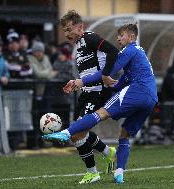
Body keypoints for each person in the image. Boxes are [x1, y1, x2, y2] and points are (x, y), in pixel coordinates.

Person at [43, 23, 158, 184]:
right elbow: (122, 80)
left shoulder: (129, 50)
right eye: (118, 35)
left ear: (132, 37)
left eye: (122, 35)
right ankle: (119, 173)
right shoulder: (140, 54)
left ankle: (66, 133)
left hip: (138, 90)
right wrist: (113, 84)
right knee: (124, 134)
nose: (118, 38)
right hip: (151, 98)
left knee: (101, 113)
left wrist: (82, 80)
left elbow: (108, 70)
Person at [53, 10, 119, 184]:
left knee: (76, 134)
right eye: (65, 31)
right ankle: (108, 152)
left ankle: (93, 173)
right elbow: (89, 71)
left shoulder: (90, 38)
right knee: (81, 132)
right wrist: (78, 83)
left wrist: (105, 75)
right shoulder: (80, 45)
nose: (67, 34)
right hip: (87, 93)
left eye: (69, 29)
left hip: (98, 92)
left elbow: (113, 51)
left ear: (80, 26)